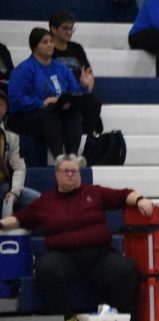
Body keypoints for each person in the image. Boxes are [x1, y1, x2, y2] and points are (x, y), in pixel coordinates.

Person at [0, 154, 153, 319]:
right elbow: (20, 219)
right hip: (63, 257)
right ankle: (65, 320)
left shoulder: (94, 192)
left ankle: (124, 319)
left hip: (99, 256)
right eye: (66, 171)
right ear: (57, 174)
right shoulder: (44, 201)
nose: (71, 174)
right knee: (46, 269)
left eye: (74, 171)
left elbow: (123, 195)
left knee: (125, 268)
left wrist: (140, 200)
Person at [5, 29, 96, 160]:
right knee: (48, 114)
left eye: (51, 41)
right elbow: (16, 100)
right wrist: (41, 103)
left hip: (54, 111)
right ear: (35, 47)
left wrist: (83, 86)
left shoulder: (61, 67)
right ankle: (59, 158)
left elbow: (75, 93)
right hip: (25, 116)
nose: (50, 45)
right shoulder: (24, 69)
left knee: (73, 113)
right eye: (45, 42)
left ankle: (72, 158)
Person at [49, 11, 105, 138]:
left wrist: (84, 92)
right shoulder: (47, 48)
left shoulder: (76, 48)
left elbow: (88, 74)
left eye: (71, 28)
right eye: (64, 28)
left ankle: (85, 138)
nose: (69, 32)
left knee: (94, 103)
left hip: (79, 92)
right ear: (53, 28)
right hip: (58, 94)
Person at [0, 91, 42, 217]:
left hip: (3, 187)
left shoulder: (11, 138)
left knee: (40, 200)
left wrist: (14, 192)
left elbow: (19, 167)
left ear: (5, 110)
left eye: (1, 105)